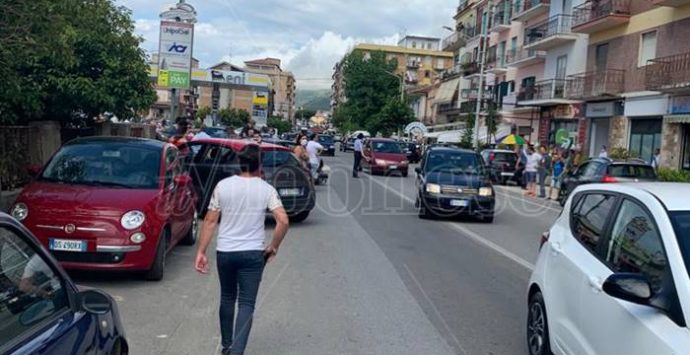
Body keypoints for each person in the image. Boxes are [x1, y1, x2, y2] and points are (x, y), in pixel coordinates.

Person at [195, 144, 289, 355]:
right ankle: (237, 350)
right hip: (253, 254)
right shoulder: (267, 189)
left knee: (227, 297)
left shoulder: (223, 186)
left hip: (225, 252)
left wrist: (201, 251)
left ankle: (227, 345)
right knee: (246, 303)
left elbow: (210, 221)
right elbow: (283, 220)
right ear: (259, 165)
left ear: (239, 163)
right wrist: (273, 246)